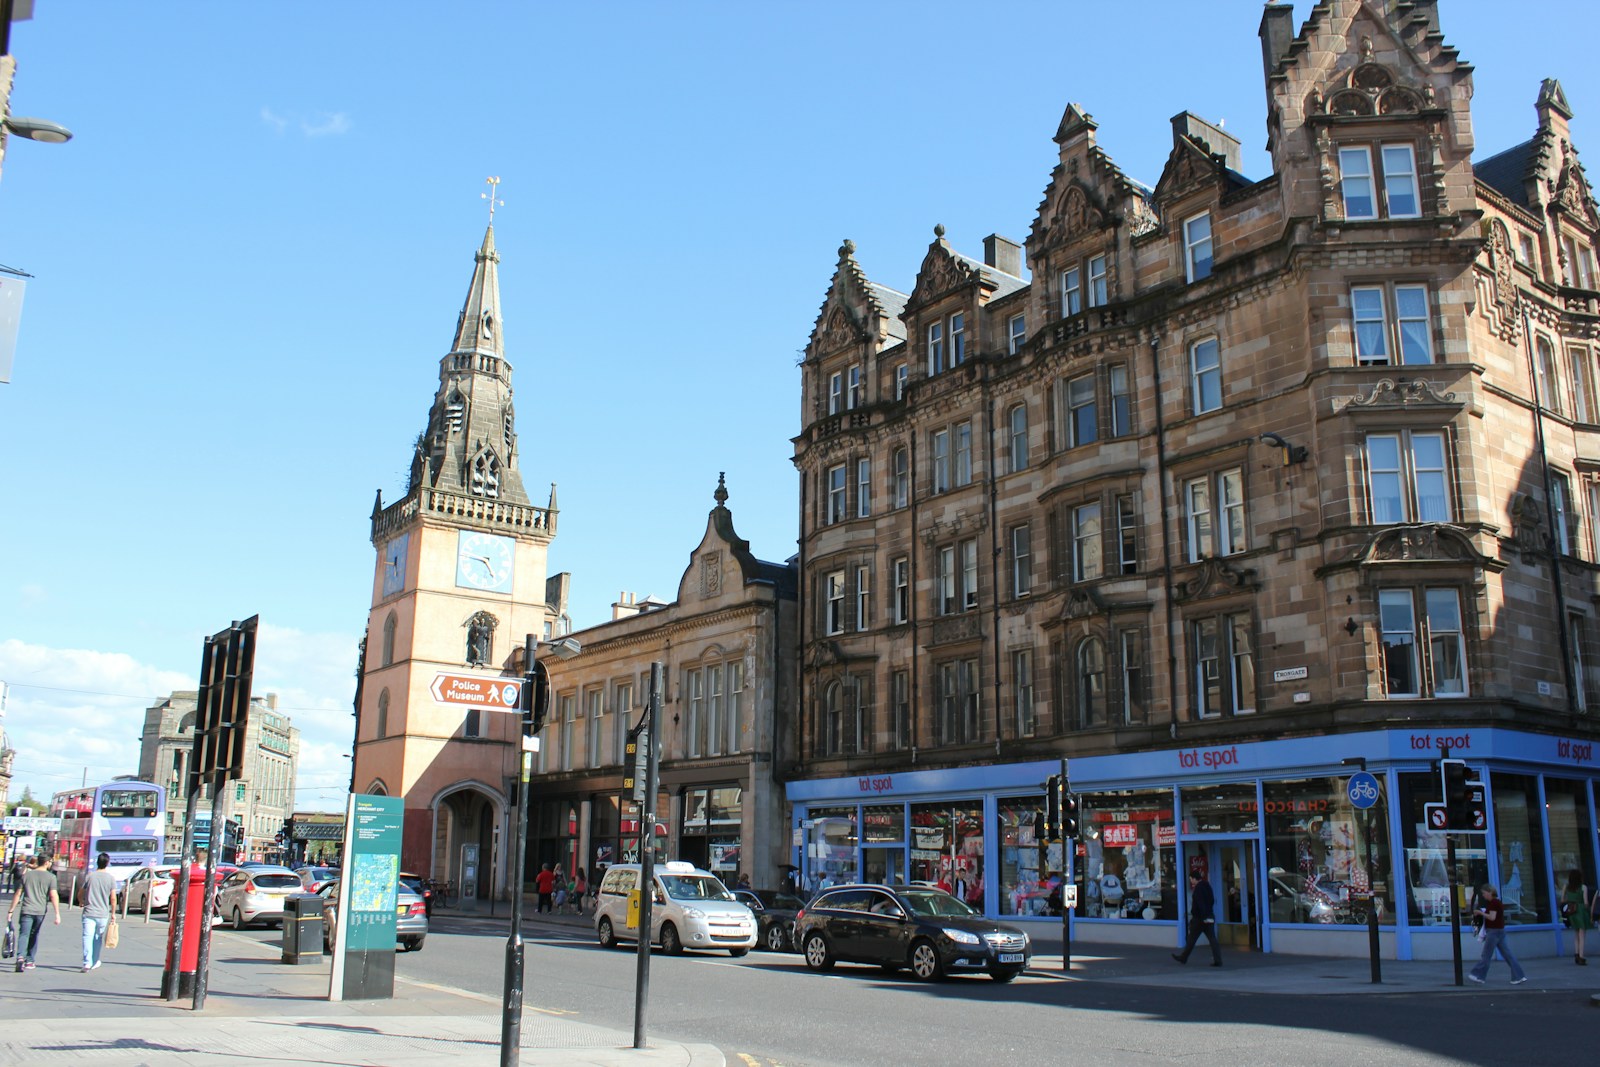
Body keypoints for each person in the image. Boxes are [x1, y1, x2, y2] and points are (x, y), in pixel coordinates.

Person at [7, 853, 61, 972]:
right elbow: (53, 895)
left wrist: (11, 910)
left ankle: (20, 957)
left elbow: (18, 894)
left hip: (26, 909)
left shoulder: (26, 876)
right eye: (50, 862)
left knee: (24, 934)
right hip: (40, 911)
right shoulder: (51, 877)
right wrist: (57, 913)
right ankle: (30, 960)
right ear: (46, 862)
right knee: (34, 934)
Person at [1468, 883, 1527, 985]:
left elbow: (1492, 917)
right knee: (1508, 955)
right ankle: (1519, 976)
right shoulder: (1496, 902)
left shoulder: (1494, 903)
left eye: (1484, 893)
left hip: (1494, 931)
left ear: (1490, 892)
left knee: (1486, 955)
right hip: (1499, 930)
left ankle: (1478, 975)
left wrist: (1480, 913)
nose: (1483, 895)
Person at [1172, 871, 1221, 967]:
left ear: (1195, 878)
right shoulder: (1207, 886)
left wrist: (1202, 916)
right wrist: (1208, 914)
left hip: (1200, 918)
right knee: (1212, 939)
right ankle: (1218, 960)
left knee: (1192, 938)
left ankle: (1183, 957)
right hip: (1209, 916)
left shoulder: (1198, 889)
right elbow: (1211, 900)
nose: (1191, 881)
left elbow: (1200, 903)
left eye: (1191, 879)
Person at [80, 853, 119, 972]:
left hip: (89, 911)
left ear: (97, 862)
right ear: (107, 863)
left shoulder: (90, 877)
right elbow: (113, 898)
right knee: (98, 937)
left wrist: (81, 901)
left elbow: (81, 892)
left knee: (87, 936)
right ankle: (95, 960)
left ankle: (87, 963)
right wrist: (113, 913)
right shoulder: (111, 878)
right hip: (103, 913)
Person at [1560, 869, 1592, 965]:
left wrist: (1570, 900)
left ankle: (1576, 953)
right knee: (1582, 934)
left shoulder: (1566, 886)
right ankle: (1581, 957)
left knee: (1576, 933)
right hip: (1581, 911)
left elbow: (1562, 900)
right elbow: (1586, 902)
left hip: (1571, 911)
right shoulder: (1583, 887)